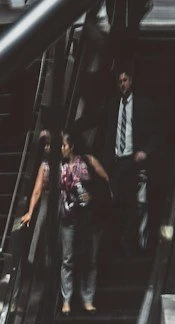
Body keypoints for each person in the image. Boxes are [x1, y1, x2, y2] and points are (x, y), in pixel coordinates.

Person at [18, 127, 108, 313]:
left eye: (63, 145)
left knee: (89, 259)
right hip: (67, 217)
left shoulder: (86, 161)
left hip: (88, 218)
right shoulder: (51, 166)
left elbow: (104, 180)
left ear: (71, 146)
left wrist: (97, 199)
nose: (60, 149)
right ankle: (66, 299)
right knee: (68, 258)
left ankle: (87, 299)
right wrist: (30, 211)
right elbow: (37, 189)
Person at [97, 63, 154, 253]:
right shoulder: (113, 105)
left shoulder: (143, 104)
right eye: (119, 81)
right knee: (114, 202)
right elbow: (105, 129)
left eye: (125, 80)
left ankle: (128, 244)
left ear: (131, 81)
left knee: (132, 203)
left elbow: (157, 132)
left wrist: (145, 151)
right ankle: (115, 242)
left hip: (132, 160)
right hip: (115, 161)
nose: (122, 84)